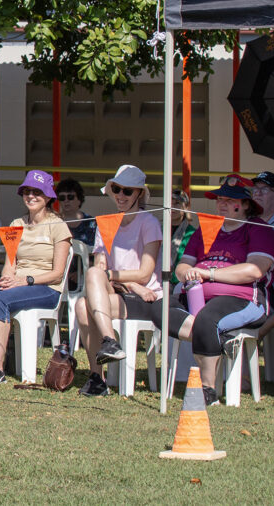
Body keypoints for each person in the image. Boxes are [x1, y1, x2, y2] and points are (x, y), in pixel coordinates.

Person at [168, 175, 274, 405]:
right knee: (159, 309)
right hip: (194, 294)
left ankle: (208, 389)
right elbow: (182, 266)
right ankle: (213, 339)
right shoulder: (206, 230)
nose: (222, 202)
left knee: (208, 319)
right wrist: (187, 273)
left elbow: (254, 271)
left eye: (230, 199)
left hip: (242, 298)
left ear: (245, 205)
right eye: (220, 198)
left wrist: (208, 274)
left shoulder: (258, 229)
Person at [0, 170, 71, 385]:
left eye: (37, 192)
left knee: (1, 299)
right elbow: (10, 265)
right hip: (19, 284)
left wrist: (26, 280)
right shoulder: (16, 224)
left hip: (46, 287)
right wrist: (6, 279)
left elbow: (58, 273)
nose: (31, 196)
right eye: (27, 191)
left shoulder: (58, 226)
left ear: (48, 197)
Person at [70, 165, 163, 396]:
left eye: (127, 191)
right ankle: (100, 367)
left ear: (140, 194)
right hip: (120, 292)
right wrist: (123, 282)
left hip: (148, 297)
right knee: (84, 298)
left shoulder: (149, 223)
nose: (120, 196)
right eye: (117, 189)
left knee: (86, 302)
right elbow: (100, 268)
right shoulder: (108, 223)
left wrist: (118, 279)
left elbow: (144, 274)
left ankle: (101, 366)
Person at [250, 171, 274, 311]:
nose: (257, 193)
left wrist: (253, 273)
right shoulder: (246, 220)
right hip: (248, 283)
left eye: (264, 189)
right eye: (255, 189)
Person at [56, 178, 96, 247]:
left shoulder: (92, 223)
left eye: (70, 197)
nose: (66, 200)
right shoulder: (53, 222)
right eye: (62, 197)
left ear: (79, 199)